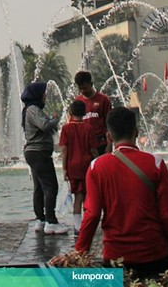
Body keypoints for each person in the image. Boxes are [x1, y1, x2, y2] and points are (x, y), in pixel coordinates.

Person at [66, 106, 168, 280]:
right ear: (137, 132)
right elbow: (167, 215)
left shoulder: (97, 167)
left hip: (115, 258)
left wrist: (79, 254)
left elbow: (92, 215)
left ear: (109, 136)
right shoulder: (155, 163)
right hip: (155, 255)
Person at [21, 81, 68, 235]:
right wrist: (56, 118)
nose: (45, 95)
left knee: (40, 187)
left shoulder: (31, 109)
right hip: (38, 152)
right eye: (43, 92)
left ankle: (40, 220)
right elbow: (45, 125)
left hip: (35, 152)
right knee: (50, 186)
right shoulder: (33, 109)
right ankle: (51, 221)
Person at [58, 99, 98, 235]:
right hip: (87, 166)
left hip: (73, 167)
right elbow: (93, 149)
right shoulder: (88, 128)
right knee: (88, 197)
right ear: (85, 113)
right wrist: (98, 160)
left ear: (70, 112)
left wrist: (64, 168)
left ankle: (77, 227)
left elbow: (64, 149)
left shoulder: (66, 128)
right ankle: (87, 224)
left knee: (78, 198)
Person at [74, 70, 112, 155]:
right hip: (84, 144)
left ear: (91, 84)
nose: (82, 91)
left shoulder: (103, 100)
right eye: (80, 88)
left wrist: (109, 144)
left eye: (85, 88)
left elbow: (109, 123)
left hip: (101, 143)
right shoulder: (77, 101)